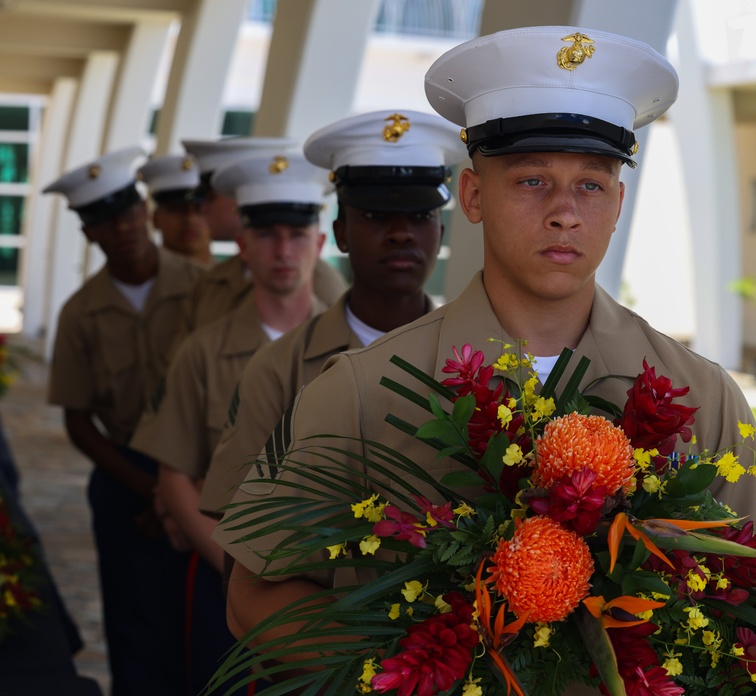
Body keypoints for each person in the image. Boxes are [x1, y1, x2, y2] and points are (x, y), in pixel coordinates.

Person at [214, 26, 756, 693]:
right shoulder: (360, 392)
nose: (563, 212)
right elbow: (255, 596)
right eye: (530, 181)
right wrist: (418, 665)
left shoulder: (702, 394)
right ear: (472, 196)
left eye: (590, 185)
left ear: (616, 205)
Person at [200, 109, 465, 518]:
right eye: (376, 216)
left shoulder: (472, 361)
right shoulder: (277, 368)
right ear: (340, 233)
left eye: (421, 216)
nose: (401, 233)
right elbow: (237, 525)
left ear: (441, 233)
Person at [130, 152, 330, 694]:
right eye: (266, 235)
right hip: (222, 570)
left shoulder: (358, 350)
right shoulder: (202, 350)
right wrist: (238, 570)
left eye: (297, 233)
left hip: (332, 581)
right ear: (241, 246)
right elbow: (174, 475)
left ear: (320, 243)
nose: (283, 251)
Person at [44, 145, 203, 695]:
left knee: (197, 616)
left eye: (129, 210)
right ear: (90, 234)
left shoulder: (202, 286)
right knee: (133, 617)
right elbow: (79, 421)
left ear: (145, 211)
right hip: (125, 476)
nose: (124, 226)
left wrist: (177, 491)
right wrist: (148, 489)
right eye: (106, 220)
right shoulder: (80, 313)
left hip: (199, 469)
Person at [177, 137, 348, 335]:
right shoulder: (211, 282)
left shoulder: (321, 283)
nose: (202, 209)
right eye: (267, 235)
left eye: (210, 197)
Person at [138, 154, 213, 267]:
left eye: (200, 210)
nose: (190, 219)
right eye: (178, 209)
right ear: (155, 218)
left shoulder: (240, 281)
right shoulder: (138, 283)